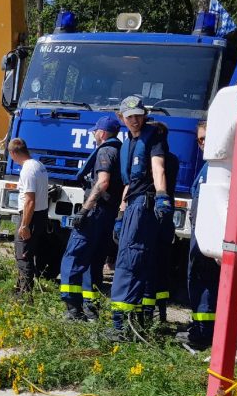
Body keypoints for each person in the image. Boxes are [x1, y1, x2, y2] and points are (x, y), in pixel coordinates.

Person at [108, 95, 171, 337]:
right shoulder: (128, 143)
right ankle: (135, 324)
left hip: (144, 204)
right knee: (136, 261)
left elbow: (158, 168)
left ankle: (120, 326)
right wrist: (120, 215)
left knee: (129, 262)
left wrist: (162, 195)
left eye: (138, 115)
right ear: (121, 117)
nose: (134, 120)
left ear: (144, 115)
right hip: (132, 204)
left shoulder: (153, 138)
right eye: (129, 116)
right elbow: (128, 184)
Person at [60, 115, 123, 320]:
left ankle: (72, 310)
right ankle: (91, 309)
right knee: (95, 262)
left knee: (74, 257)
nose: (94, 135)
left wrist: (85, 210)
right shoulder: (121, 151)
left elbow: (102, 182)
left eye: (95, 131)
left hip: (96, 211)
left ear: (102, 133)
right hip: (109, 214)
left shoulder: (105, 151)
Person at [177, 121, 219, 348]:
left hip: (207, 236)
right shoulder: (208, 165)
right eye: (200, 140)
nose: (202, 144)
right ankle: (200, 328)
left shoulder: (219, 167)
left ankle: (203, 334)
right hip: (199, 234)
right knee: (198, 280)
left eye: (206, 138)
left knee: (205, 282)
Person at [143, 122, 179, 325]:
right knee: (163, 264)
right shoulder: (173, 159)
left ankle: (147, 312)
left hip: (153, 216)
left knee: (149, 263)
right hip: (167, 218)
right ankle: (162, 311)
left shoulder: (155, 159)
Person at [10, 138, 49, 294]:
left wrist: (24, 225)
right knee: (28, 253)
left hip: (31, 217)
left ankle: (25, 296)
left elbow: (29, 201)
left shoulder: (27, 169)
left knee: (23, 256)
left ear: (13, 153)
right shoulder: (39, 165)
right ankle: (19, 289)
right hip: (41, 215)